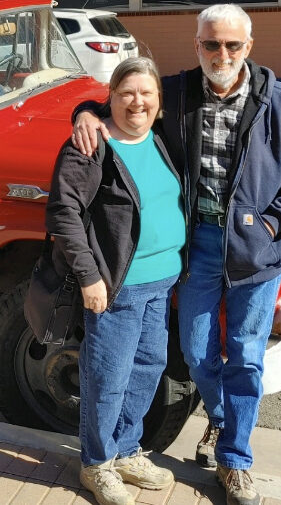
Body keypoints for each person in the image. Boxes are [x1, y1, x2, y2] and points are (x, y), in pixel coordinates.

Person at [71, 4, 281, 505]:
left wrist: (274, 220)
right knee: (195, 351)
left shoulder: (280, 101)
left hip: (259, 249)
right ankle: (226, 418)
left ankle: (235, 460)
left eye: (233, 45)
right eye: (211, 44)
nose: (222, 53)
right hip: (198, 247)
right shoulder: (181, 93)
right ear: (197, 46)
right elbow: (130, 97)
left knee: (247, 358)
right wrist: (84, 111)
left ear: (248, 47)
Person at [46, 57, 186, 505]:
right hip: (116, 288)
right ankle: (97, 463)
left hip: (162, 283)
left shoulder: (160, 137)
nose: (137, 102)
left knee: (146, 370)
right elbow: (63, 212)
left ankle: (126, 450)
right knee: (108, 377)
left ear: (159, 101)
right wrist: (90, 276)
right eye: (126, 93)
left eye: (146, 93)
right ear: (111, 96)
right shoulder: (91, 143)